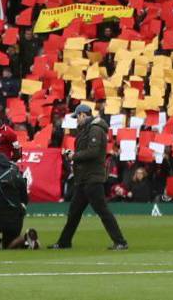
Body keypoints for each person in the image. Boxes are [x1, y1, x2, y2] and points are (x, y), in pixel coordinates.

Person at [51, 103, 127, 251]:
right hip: (85, 178)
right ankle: (64, 242)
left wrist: (74, 156)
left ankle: (121, 241)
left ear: (83, 115)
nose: (76, 120)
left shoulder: (95, 130)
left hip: (92, 178)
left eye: (77, 117)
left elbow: (93, 152)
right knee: (74, 212)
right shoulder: (89, 129)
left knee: (102, 211)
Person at [0, 148, 39, 250]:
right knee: (8, 245)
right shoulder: (17, 174)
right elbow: (25, 199)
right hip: (15, 219)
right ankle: (26, 238)